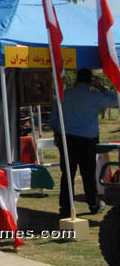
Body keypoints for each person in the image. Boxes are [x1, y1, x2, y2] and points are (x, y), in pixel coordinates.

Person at [50, 68, 118, 217]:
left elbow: (54, 121)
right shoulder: (94, 96)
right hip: (87, 141)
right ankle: (93, 204)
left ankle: (66, 207)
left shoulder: (63, 95)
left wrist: (57, 134)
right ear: (90, 80)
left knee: (67, 174)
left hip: (66, 139)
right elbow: (116, 101)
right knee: (88, 174)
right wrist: (100, 87)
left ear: (76, 79)